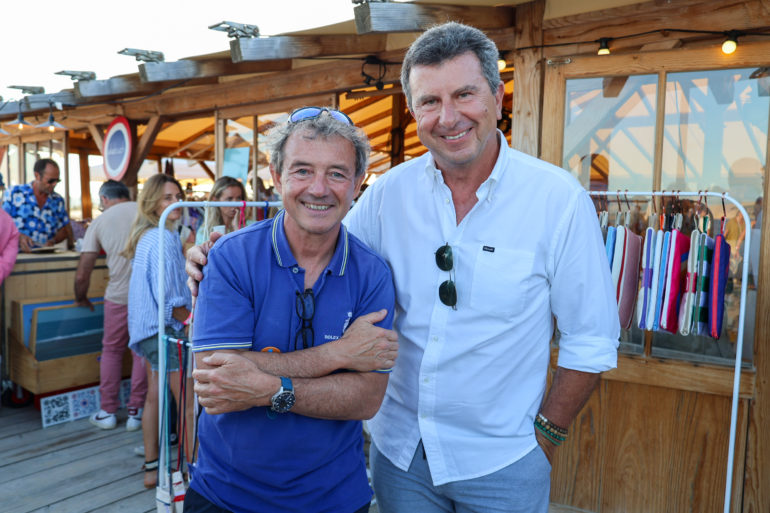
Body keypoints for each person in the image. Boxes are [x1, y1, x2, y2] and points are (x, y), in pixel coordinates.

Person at [187, 22, 619, 513]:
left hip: (503, 461)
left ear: (498, 97)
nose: (448, 116)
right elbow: (317, 229)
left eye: (464, 95)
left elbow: (591, 339)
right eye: (430, 102)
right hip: (400, 458)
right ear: (414, 111)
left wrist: (544, 438)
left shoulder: (557, 200)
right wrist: (218, 255)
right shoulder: (389, 195)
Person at [184, 108, 398, 513]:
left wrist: (266, 389)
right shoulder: (231, 256)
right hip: (226, 496)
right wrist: (338, 356)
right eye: (302, 170)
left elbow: (365, 399)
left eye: (336, 173)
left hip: (335, 499)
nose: (319, 188)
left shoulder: (372, 273)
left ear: (357, 184)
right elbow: (216, 380)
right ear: (276, 175)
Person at [123, 173, 194, 489]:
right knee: (187, 400)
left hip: (146, 329)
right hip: (165, 327)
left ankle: (152, 469)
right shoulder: (163, 237)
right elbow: (172, 298)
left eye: (177, 195)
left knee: (154, 397)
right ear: (152, 202)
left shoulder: (148, 236)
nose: (175, 202)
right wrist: (193, 323)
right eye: (168, 197)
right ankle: (194, 470)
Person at [75, 180, 148, 431]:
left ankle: (107, 411)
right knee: (140, 351)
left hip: (117, 296)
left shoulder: (100, 221)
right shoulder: (145, 211)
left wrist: (80, 296)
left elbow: (83, 271)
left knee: (112, 350)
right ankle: (136, 412)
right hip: (146, 297)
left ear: (104, 199)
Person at [2, 158, 73, 253]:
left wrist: (53, 241)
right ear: (37, 176)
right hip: (15, 257)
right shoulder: (14, 193)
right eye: (51, 181)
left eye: (57, 180)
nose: (55, 184)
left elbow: (64, 230)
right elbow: (2, 223)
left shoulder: (58, 200)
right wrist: (18, 236)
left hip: (45, 258)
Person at [195, 176, 247, 244]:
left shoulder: (252, 226)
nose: (235, 204)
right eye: (229, 199)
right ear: (215, 200)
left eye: (239, 198)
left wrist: (237, 229)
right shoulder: (205, 231)